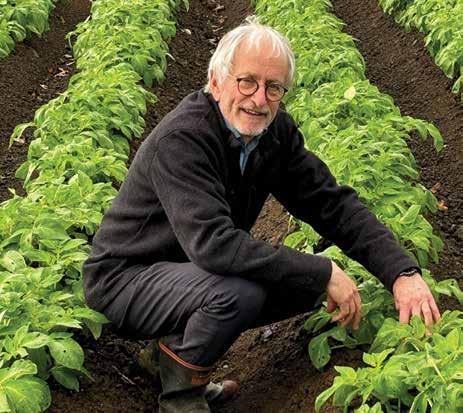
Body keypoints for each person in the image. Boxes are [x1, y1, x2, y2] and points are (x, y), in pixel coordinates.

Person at [83, 17, 441, 413]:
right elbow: (214, 246)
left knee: (302, 285)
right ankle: (182, 398)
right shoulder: (183, 139)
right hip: (126, 280)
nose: (259, 99)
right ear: (216, 81)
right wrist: (324, 270)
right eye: (247, 82)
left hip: (185, 273)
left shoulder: (274, 134)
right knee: (242, 291)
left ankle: (168, 357)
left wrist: (401, 273)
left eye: (273, 87)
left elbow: (331, 204)